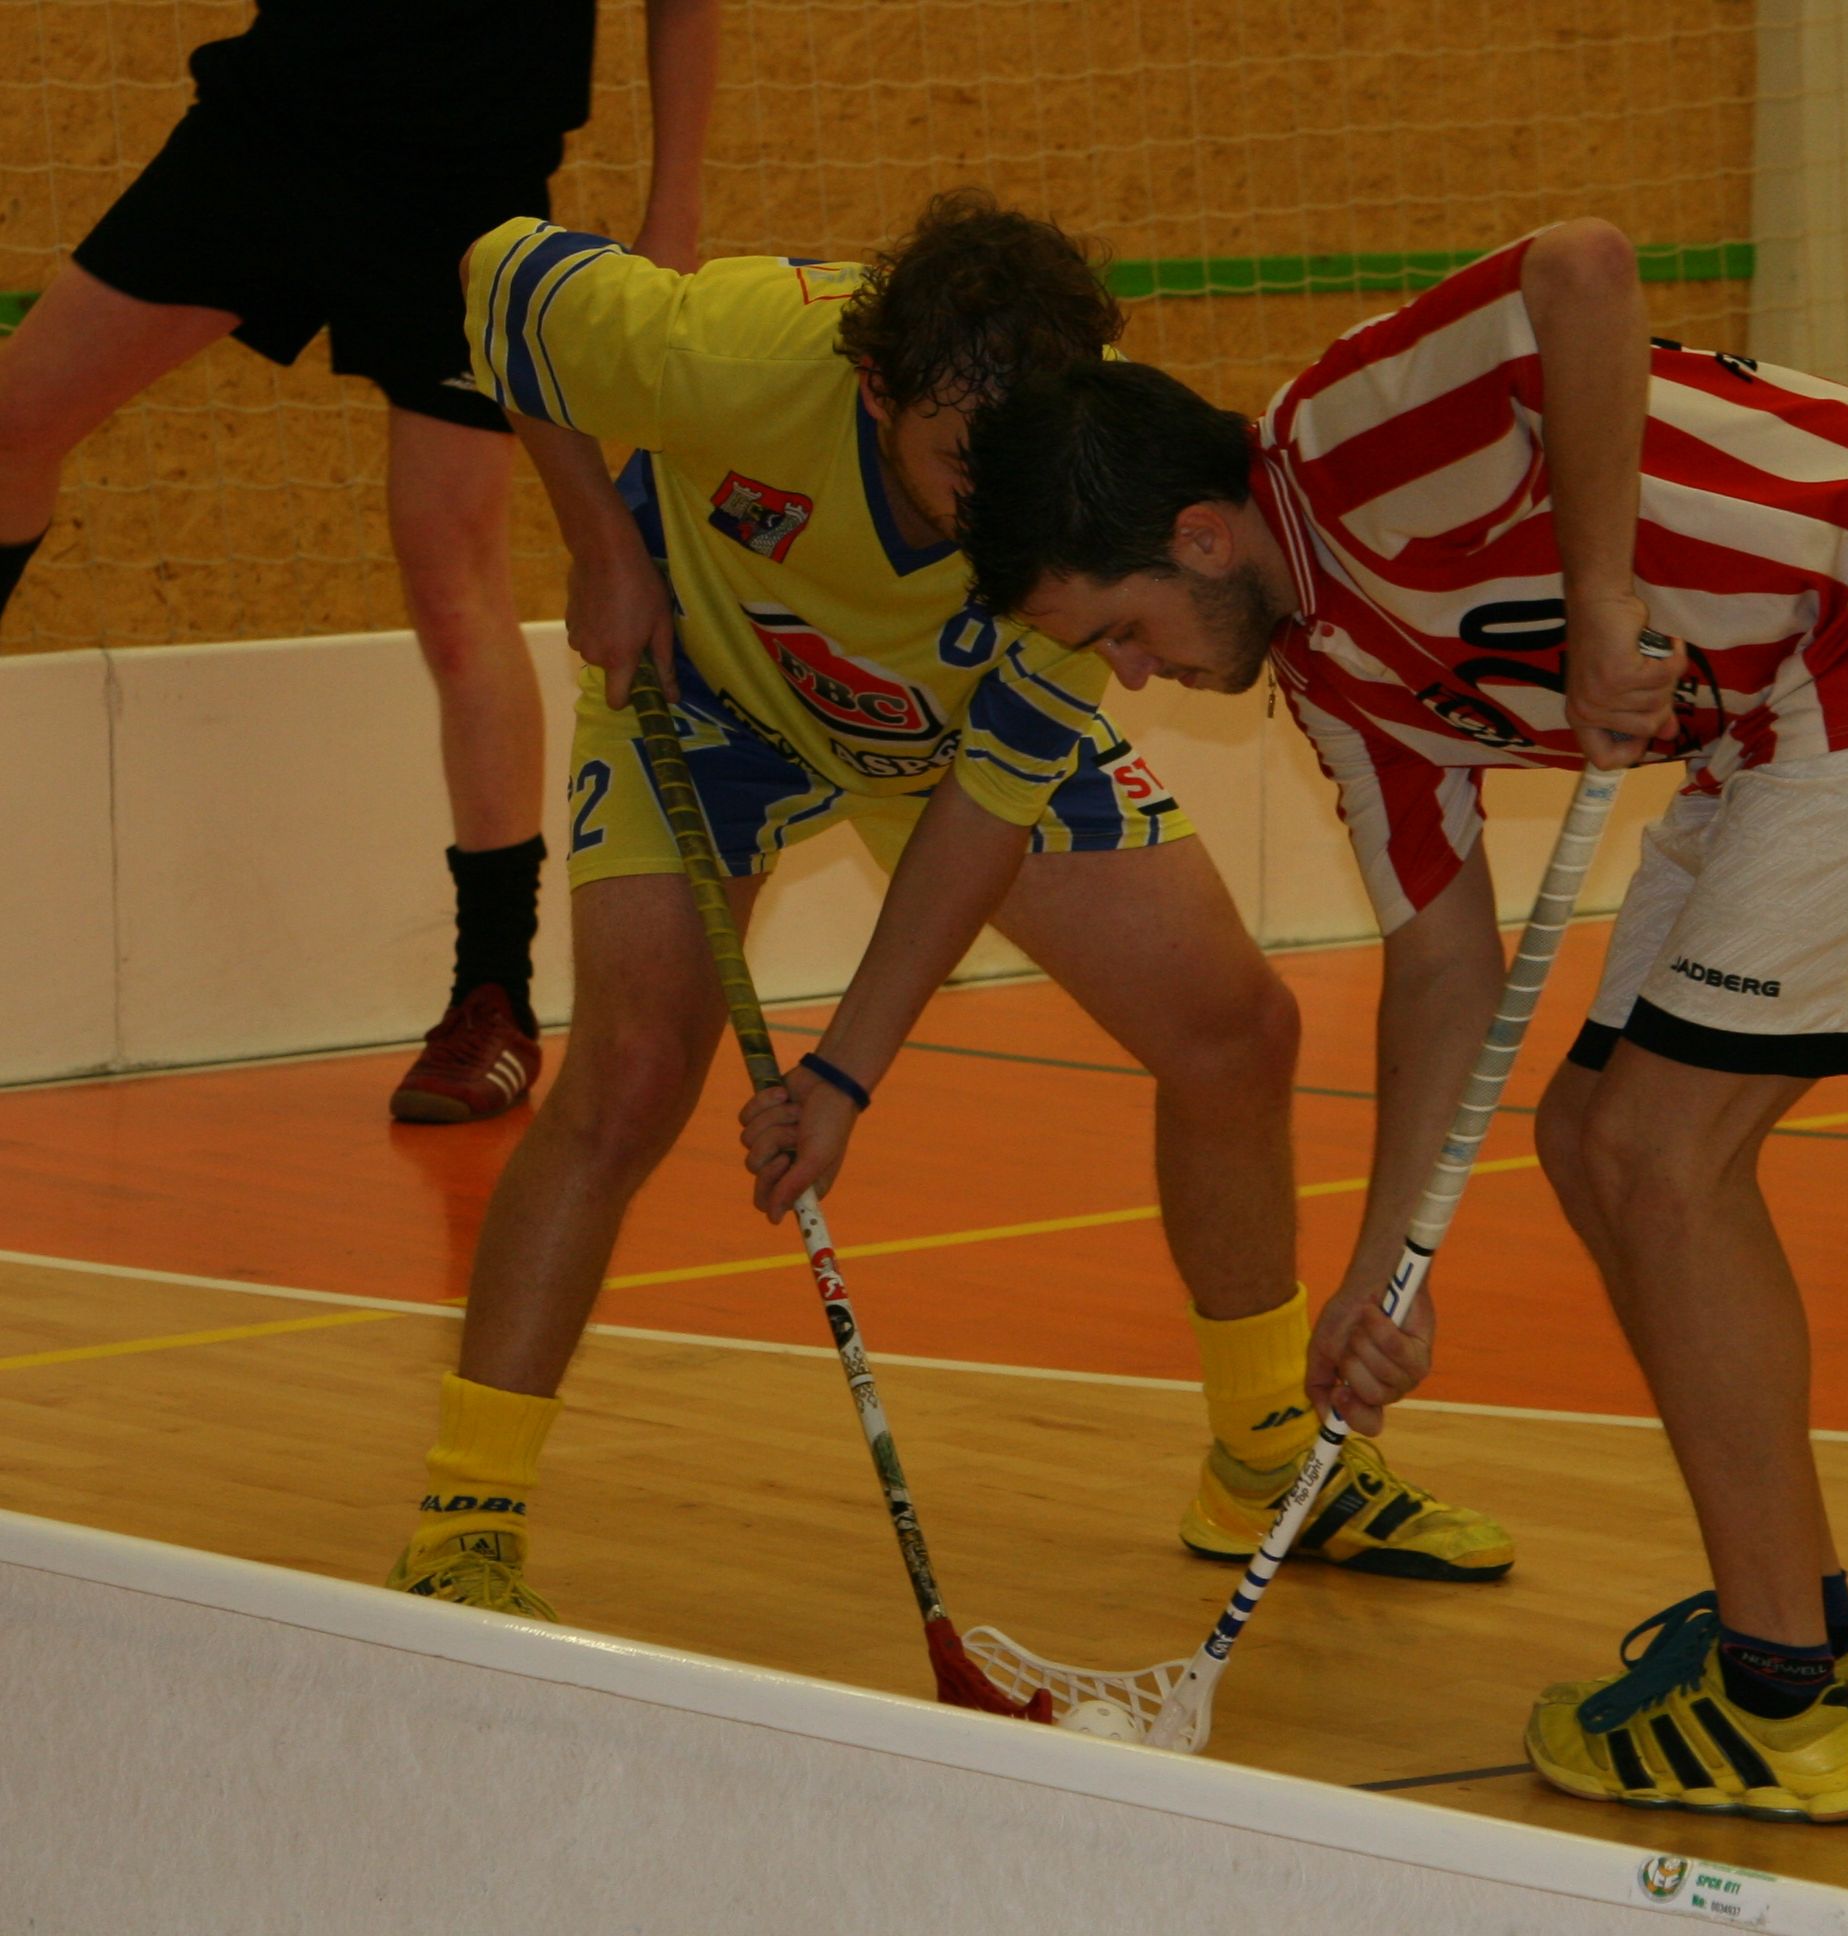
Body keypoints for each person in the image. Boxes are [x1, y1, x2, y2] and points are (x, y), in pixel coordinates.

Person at [944, 217, 1848, 1821]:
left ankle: (1777, 1693)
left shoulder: (1340, 444)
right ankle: (1809, 1629)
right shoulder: (1337, 687)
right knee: (1591, 1138)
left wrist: (1597, 590)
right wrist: (1384, 1278)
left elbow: (1580, 269)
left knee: (1657, 1157)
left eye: (1118, 631)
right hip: (1788, 718)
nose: (1132, 678)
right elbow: (1444, 963)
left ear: (1204, 537)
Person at [385, 189, 1513, 1620]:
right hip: (711, 694)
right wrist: (603, 544)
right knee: (631, 1076)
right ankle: (465, 1519)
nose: (997, 501)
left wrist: (845, 1074)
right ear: (874, 388)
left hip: (953, 731)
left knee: (1234, 1029)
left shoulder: (1079, 475)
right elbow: (498, 276)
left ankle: (1265, 1459)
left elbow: (980, 813)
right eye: (956, 460)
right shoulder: (732, 350)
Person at [0, 0, 721, 1123]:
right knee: (14, 421)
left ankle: (493, 994)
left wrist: (671, 207)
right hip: (272, 128)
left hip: (466, 176)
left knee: (453, 585)